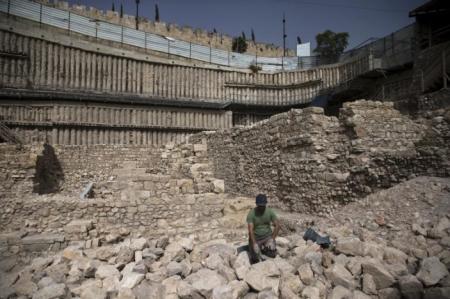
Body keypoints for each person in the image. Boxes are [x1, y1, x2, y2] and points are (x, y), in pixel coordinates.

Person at [246, 194, 280, 263]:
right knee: (255, 259)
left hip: (267, 236)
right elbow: (250, 230)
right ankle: (253, 248)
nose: (261, 207)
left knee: (272, 254)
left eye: (263, 205)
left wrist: (272, 239)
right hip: (256, 238)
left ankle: (264, 248)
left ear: (265, 204)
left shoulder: (270, 211)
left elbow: (277, 225)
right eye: (260, 205)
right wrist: (254, 243)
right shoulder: (251, 213)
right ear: (256, 204)